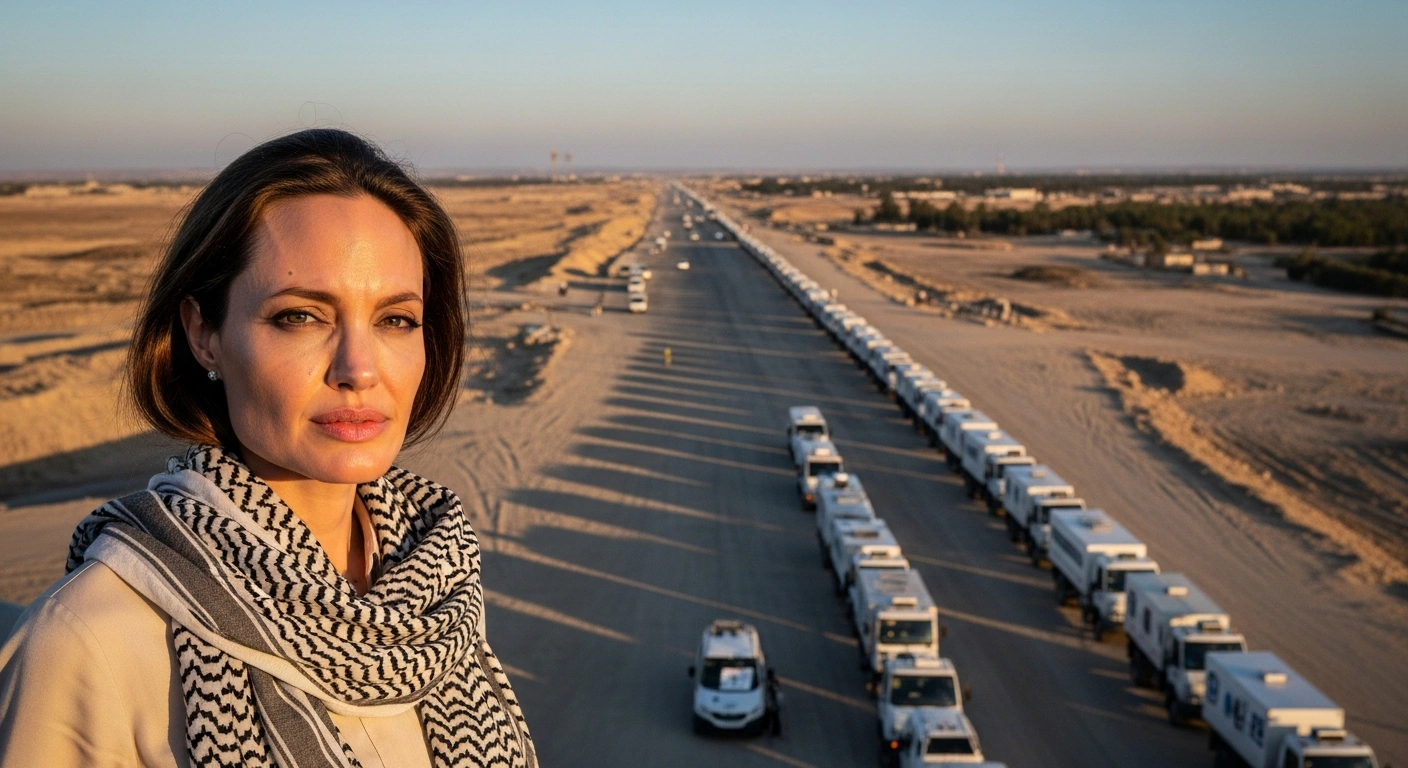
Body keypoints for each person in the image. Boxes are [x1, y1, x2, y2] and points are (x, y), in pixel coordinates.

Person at [0, 129, 536, 768]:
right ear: (204, 335)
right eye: (301, 317)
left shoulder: (435, 592)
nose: (359, 369)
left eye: (396, 319)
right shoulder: (93, 641)